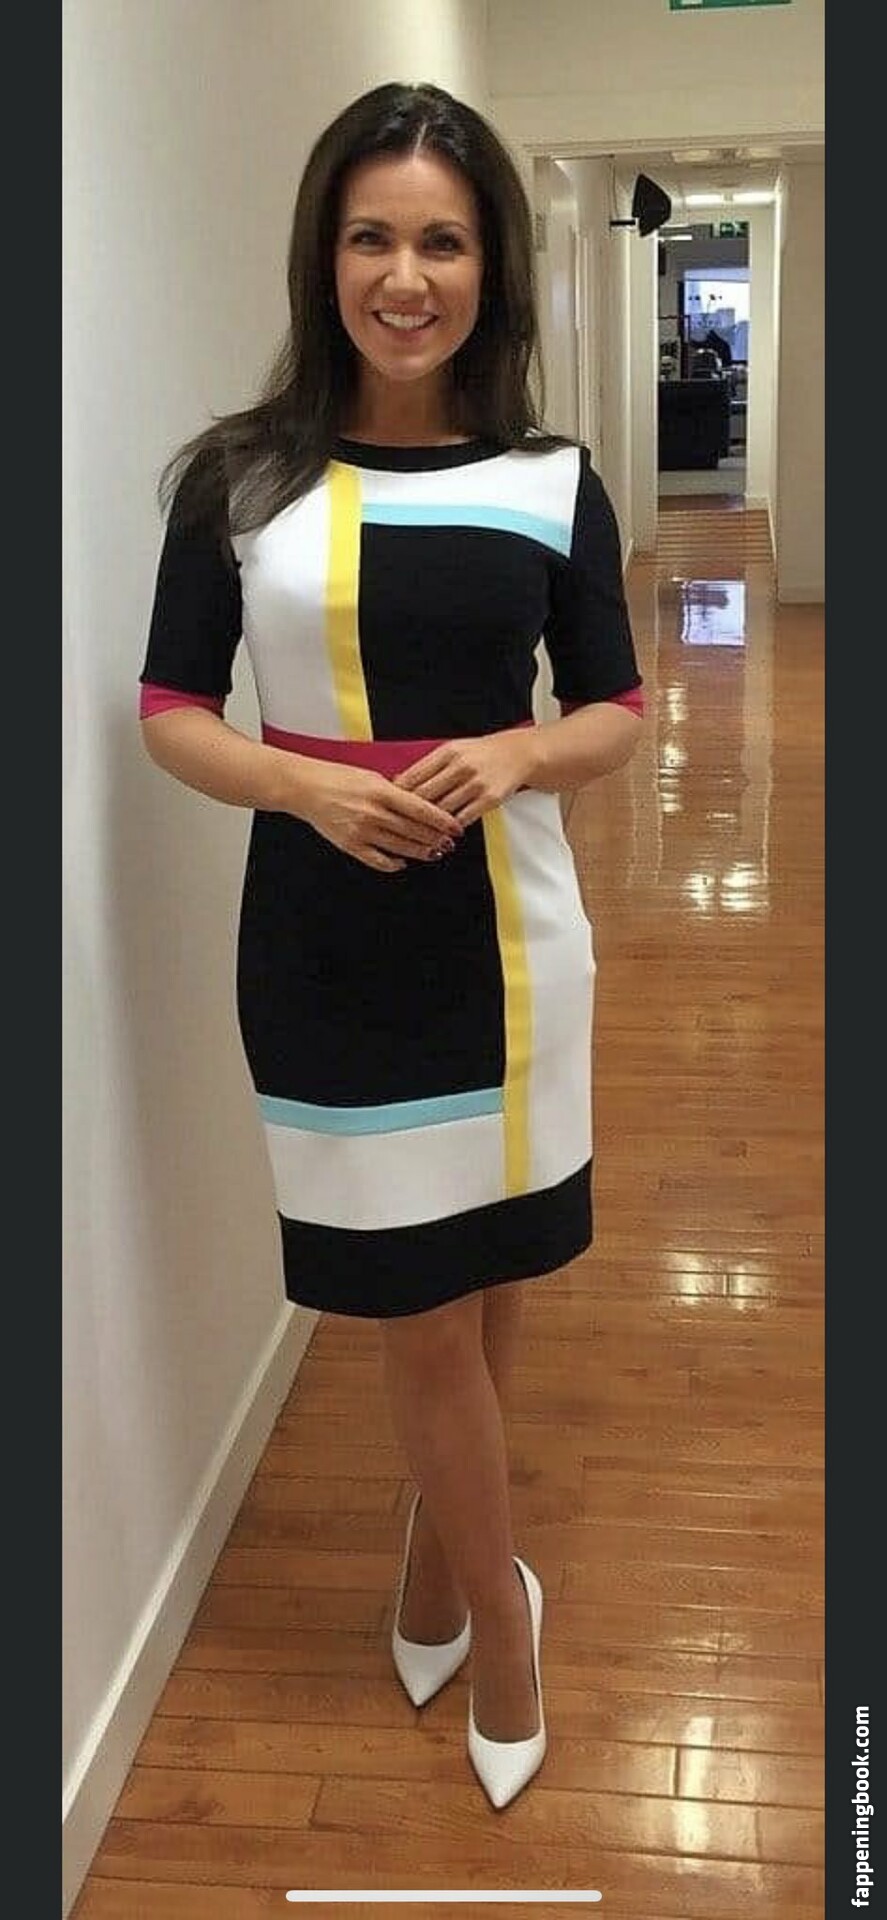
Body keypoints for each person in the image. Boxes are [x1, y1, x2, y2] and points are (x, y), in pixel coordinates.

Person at [139, 79, 644, 1811]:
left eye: (442, 241)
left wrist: (516, 752)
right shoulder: (239, 480)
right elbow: (170, 712)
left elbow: (618, 711)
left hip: (514, 938)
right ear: (325, 255)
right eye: (372, 238)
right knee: (415, 1312)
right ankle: (506, 1623)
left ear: (491, 268)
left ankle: (440, 1569)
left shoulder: (553, 481)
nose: (406, 276)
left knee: (485, 1280)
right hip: (327, 943)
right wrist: (303, 787)